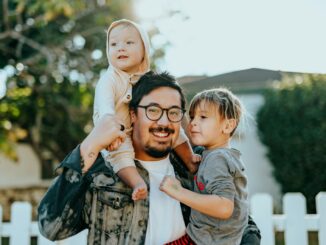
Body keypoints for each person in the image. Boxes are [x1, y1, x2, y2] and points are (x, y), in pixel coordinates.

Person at [38, 71, 261, 244]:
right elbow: (52, 227)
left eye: (173, 112)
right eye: (153, 110)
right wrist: (90, 144)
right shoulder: (101, 171)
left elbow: (242, 222)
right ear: (133, 114)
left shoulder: (195, 163)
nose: (164, 122)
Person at [93, 19, 199, 200]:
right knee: (121, 155)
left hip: (138, 128)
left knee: (173, 127)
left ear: (144, 50)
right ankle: (137, 183)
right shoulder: (110, 79)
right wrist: (112, 133)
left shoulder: (148, 80)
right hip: (114, 132)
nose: (120, 48)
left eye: (129, 43)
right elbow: (106, 110)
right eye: (114, 44)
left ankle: (190, 158)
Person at [160, 88, 248, 244]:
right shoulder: (218, 156)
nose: (193, 122)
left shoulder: (217, 159)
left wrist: (178, 191)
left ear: (227, 126)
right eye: (192, 117)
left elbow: (224, 207)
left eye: (203, 117)